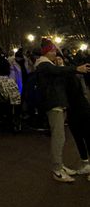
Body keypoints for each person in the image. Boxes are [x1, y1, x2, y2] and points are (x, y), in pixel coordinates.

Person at [36, 38, 90, 182]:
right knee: (58, 138)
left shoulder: (48, 67)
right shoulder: (44, 64)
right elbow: (56, 71)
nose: (55, 54)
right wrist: (76, 68)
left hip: (60, 106)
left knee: (61, 137)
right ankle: (57, 169)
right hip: (54, 106)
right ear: (47, 52)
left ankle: (60, 166)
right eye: (53, 51)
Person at [66, 72, 90, 178]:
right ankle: (86, 164)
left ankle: (86, 164)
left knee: (83, 138)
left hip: (78, 111)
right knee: (80, 138)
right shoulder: (74, 78)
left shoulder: (69, 81)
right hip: (77, 111)